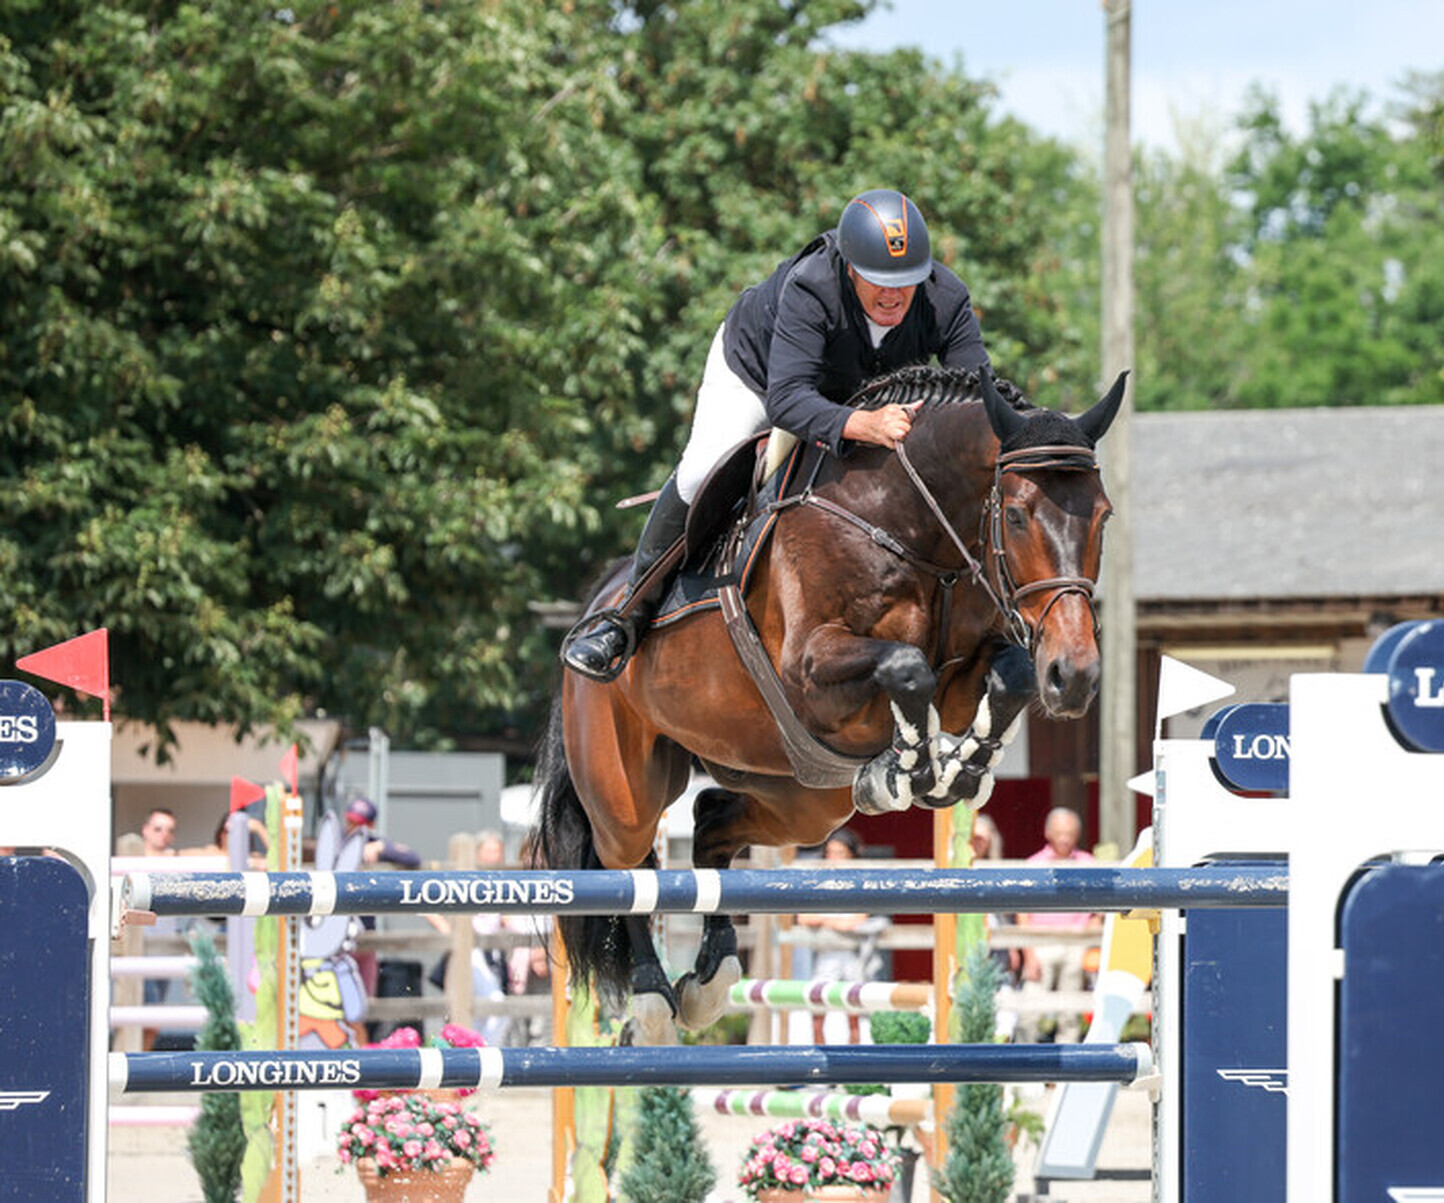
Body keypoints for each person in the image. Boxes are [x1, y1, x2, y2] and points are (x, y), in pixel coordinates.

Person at [563, 187, 992, 681]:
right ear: (849, 268)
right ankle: (624, 620)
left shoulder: (945, 298)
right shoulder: (812, 287)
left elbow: (977, 399)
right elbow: (787, 400)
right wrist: (863, 424)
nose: (894, 295)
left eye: (907, 281)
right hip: (761, 375)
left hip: (854, 391)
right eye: (878, 280)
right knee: (703, 469)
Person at [1015, 807, 1102, 1044]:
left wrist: (1089, 943)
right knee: (1029, 1013)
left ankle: (1066, 1076)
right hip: (1041, 943)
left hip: (1075, 945)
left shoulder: (1088, 864)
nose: (1065, 838)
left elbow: (1099, 911)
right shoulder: (1033, 865)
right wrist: (1029, 955)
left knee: (1070, 1015)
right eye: (1060, 832)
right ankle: (1023, 1071)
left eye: (1070, 833)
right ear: (1048, 833)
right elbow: (1022, 914)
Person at [795, 827, 884, 1044]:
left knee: (852, 1010)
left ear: (851, 856)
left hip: (850, 954)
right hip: (826, 954)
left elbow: (859, 919)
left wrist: (828, 921)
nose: (833, 858)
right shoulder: (819, 882)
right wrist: (833, 922)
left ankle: (853, 1061)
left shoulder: (859, 882)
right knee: (817, 1007)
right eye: (830, 853)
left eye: (840, 853)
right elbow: (803, 917)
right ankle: (818, 1059)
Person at [342, 797, 422, 1005]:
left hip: (365, 934)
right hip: (338, 935)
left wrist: (382, 847)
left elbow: (413, 859)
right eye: (351, 822)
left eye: (359, 824)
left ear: (370, 825)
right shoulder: (338, 841)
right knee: (337, 1001)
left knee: (365, 1002)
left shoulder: (374, 844)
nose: (353, 828)